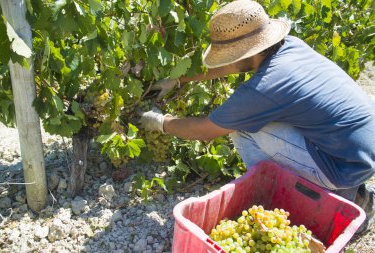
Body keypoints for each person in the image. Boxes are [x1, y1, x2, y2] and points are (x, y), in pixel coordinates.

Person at [139, 0, 375, 233]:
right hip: (359, 152)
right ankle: (356, 196)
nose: (228, 60)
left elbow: (205, 130)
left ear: (244, 51)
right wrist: (180, 78)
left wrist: (161, 122)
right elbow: (236, 65)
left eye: (230, 54)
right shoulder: (291, 46)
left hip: (342, 167)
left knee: (245, 130)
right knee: (271, 119)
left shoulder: (264, 87)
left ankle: (288, 201)